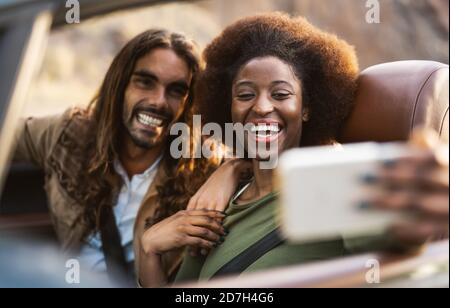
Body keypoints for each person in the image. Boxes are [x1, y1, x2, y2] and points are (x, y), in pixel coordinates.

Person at [137, 13, 449, 287]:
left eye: (280, 94)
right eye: (245, 94)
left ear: (306, 108)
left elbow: (390, 231)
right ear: (228, 107)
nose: (261, 107)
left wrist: (415, 204)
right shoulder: (219, 204)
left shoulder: (329, 185)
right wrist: (149, 250)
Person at [11, 29, 230, 283]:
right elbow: (8, 133)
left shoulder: (200, 166)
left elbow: (262, 157)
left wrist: (229, 170)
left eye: (175, 90)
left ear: (188, 102)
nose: (158, 101)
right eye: (145, 82)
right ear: (120, 84)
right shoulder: (68, 135)